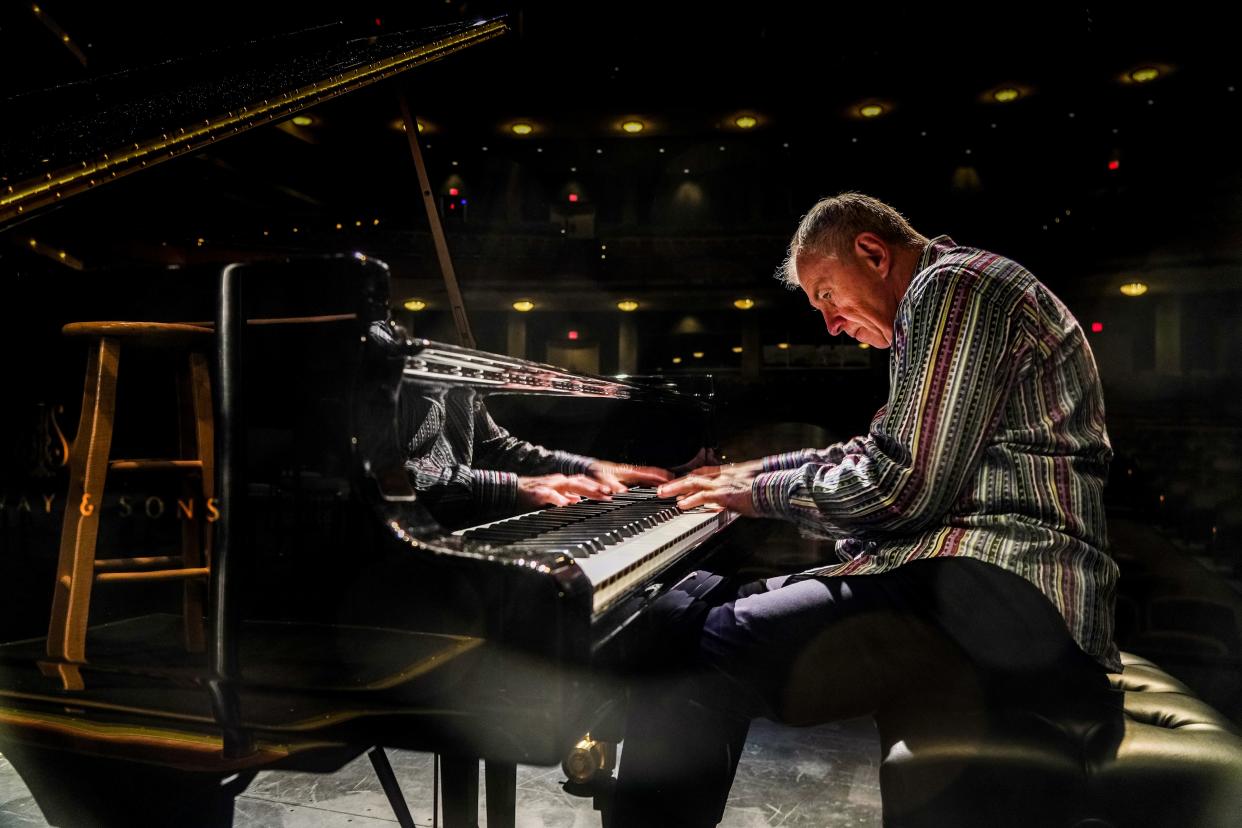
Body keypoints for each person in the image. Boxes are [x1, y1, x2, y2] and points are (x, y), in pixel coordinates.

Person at [609, 193, 1120, 826]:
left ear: (873, 253)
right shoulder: (946, 300)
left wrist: (755, 495)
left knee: (695, 651)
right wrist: (748, 471)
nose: (827, 322)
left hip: (1007, 598)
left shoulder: (953, 287)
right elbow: (875, 449)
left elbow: (900, 487)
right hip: (976, 591)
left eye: (825, 294)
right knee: (693, 604)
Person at [401, 386, 671, 527]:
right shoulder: (369, 349)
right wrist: (511, 488)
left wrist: (586, 467)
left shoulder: (440, 358)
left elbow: (496, 448)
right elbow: (384, 476)